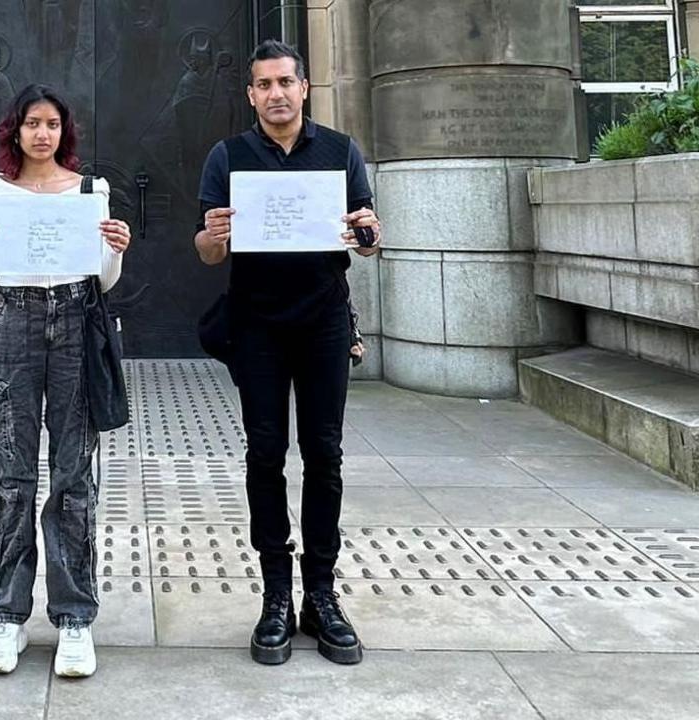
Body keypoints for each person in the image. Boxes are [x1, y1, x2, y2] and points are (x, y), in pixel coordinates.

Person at [193, 40, 381, 666]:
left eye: (285, 82)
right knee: (265, 453)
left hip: (324, 321)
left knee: (325, 453)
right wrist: (212, 237)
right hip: (257, 325)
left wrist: (368, 236)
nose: (275, 93)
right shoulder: (228, 156)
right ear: (250, 95)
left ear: (304, 88)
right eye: (263, 85)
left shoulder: (339, 151)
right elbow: (208, 252)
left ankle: (320, 594)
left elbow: (365, 233)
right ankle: (276, 592)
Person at [0, 83, 132, 678]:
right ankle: (5, 616)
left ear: (64, 132)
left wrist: (116, 249)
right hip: (15, 321)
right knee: (10, 472)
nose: (42, 134)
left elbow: (103, 279)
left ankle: (75, 618)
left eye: (53, 124)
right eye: (33, 123)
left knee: (74, 474)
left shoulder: (90, 191)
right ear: (16, 129)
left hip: (76, 319)